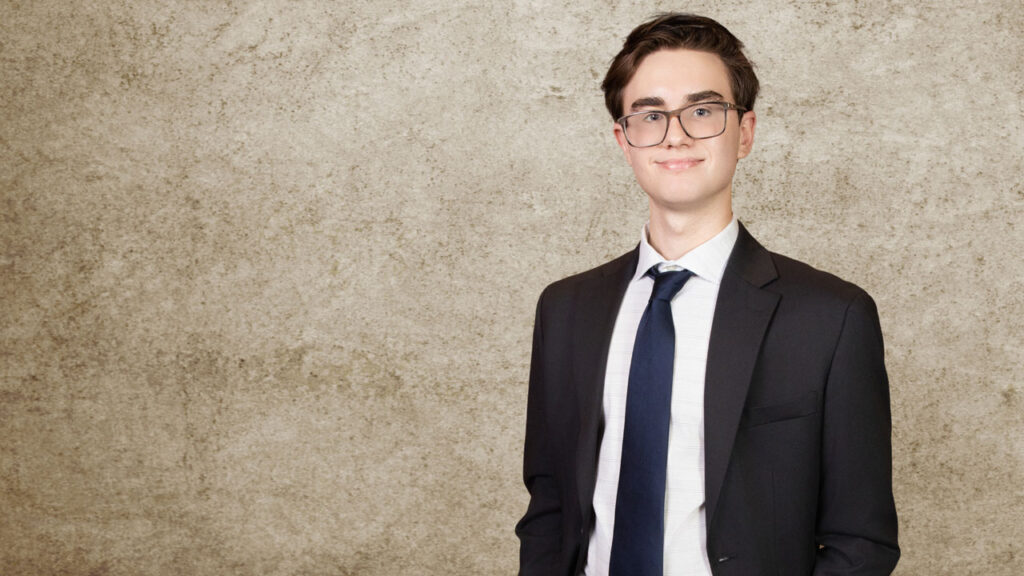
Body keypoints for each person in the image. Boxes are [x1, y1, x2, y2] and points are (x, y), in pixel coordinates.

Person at [515, 13, 899, 576]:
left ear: (744, 132)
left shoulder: (831, 317)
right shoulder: (566, 309)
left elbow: (860, 542)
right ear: (624, 141)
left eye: (702, 111)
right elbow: (549, 508)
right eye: (650, 115)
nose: (675, 135)